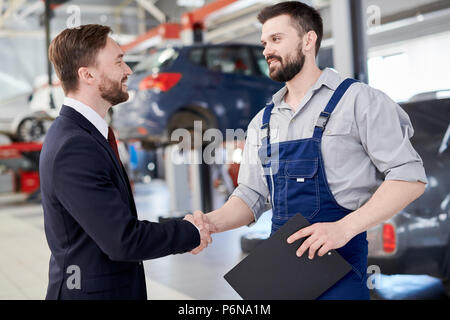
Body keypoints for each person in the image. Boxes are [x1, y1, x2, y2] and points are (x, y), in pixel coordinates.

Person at [193, 1, 427, 299]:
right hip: (283, 270)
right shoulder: (262, 122)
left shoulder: (359, 101)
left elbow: (409, 178)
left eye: (276, 39)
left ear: (308, 40)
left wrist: (343, 228)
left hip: (341, 268)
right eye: (264, 42)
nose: (266, 50)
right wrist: (208, 223)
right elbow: (251, 195)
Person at [40, 24, 210, 300]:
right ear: (88, 74)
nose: (128, 70)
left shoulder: (85, 134)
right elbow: (123, 240)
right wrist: (189, 232)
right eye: (119, 61)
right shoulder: (75, 145)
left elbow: (112, 222)